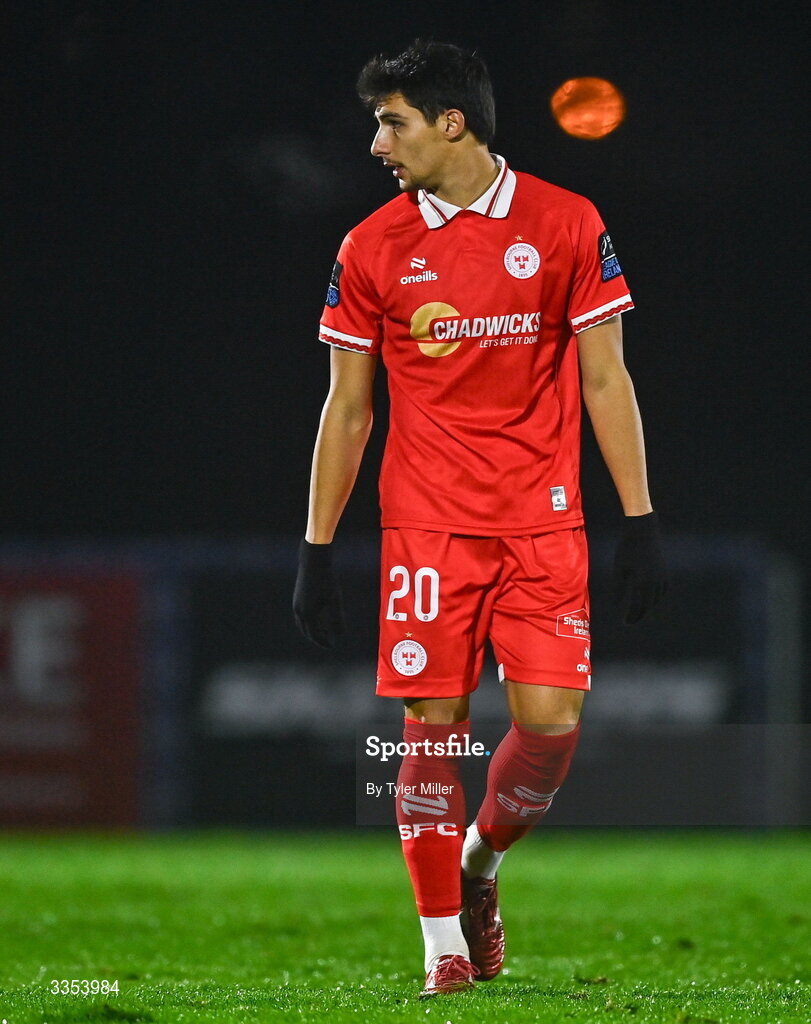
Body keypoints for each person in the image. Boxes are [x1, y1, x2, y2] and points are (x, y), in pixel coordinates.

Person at [293, 39, 666, 998]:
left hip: (542, 523)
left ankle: (480, 868)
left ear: (451, 122)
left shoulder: (565, 222)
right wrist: (317, 548)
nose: (378, 142)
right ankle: (442, 954)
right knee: (432, 729)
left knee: (548, 730)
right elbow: (349, 407)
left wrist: (637, 520)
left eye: (393, 121)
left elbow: (605, 376)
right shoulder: (370, 246)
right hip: (427, 529)